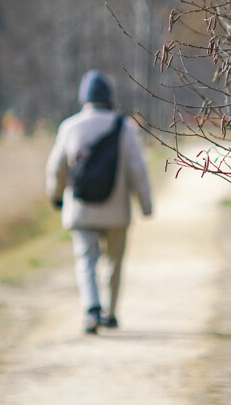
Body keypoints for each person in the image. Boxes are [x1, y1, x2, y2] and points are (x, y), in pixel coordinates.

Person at [46, 70, 153, 334]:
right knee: (114, 262)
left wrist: (56, 196)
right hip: (116, 211)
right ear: (109, 97)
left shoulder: (69, 126)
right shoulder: (123, 127)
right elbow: (137, 169)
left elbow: (56, 169)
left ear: (84, 97)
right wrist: (146, 205)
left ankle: (91, 308)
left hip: (81, 210)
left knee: (86, 260)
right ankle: (111, 313)